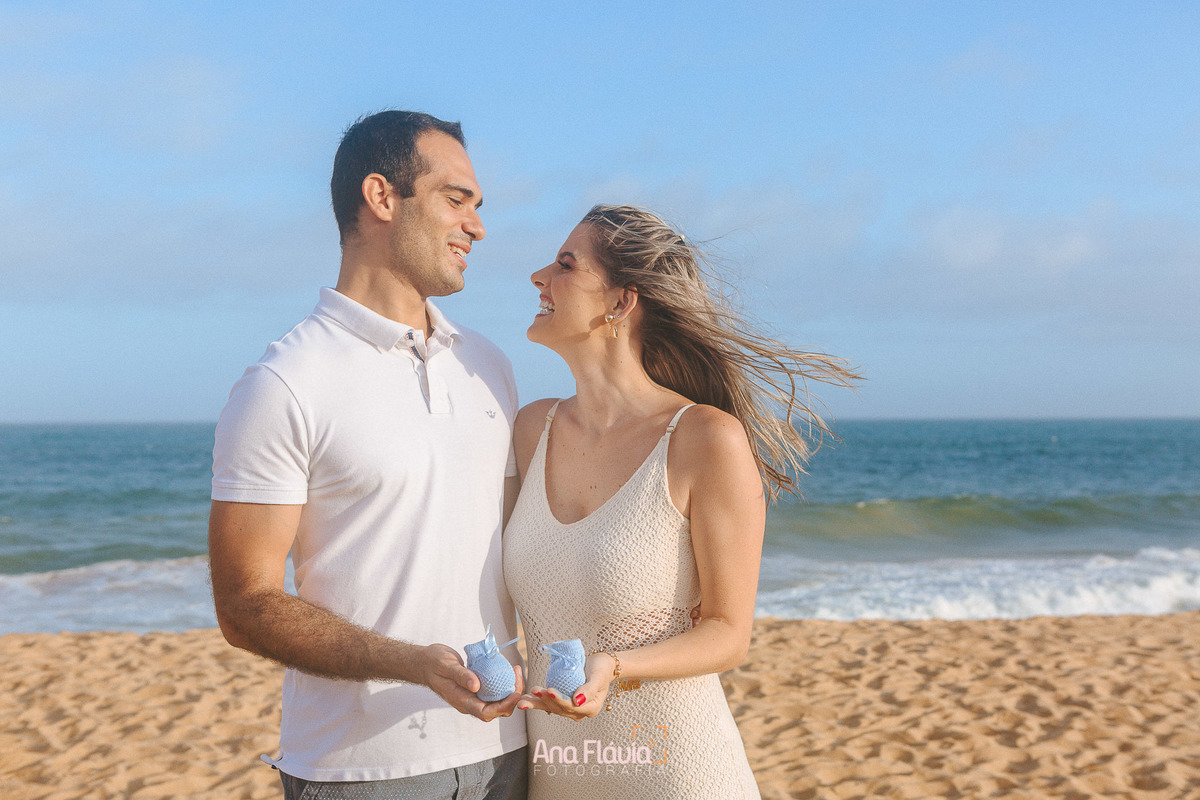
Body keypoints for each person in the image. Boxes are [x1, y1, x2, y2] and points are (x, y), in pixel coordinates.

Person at [208, 110, 527, 800]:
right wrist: (414, 664)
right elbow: (246, 604)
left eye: (477, 206)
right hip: (362, 771)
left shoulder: (490, 367)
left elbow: (515, 551)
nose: (477, 226)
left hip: (509, 751)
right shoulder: (284, 384)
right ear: (382, 197)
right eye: (456, 199)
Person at [504, 204, 859, 799]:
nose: (539, 277)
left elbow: (728, 632)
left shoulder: (705, 439)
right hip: (558, 775)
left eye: (565, 264)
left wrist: (615, 667)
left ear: (621, 303)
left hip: (678, 775)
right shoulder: (531, 428)